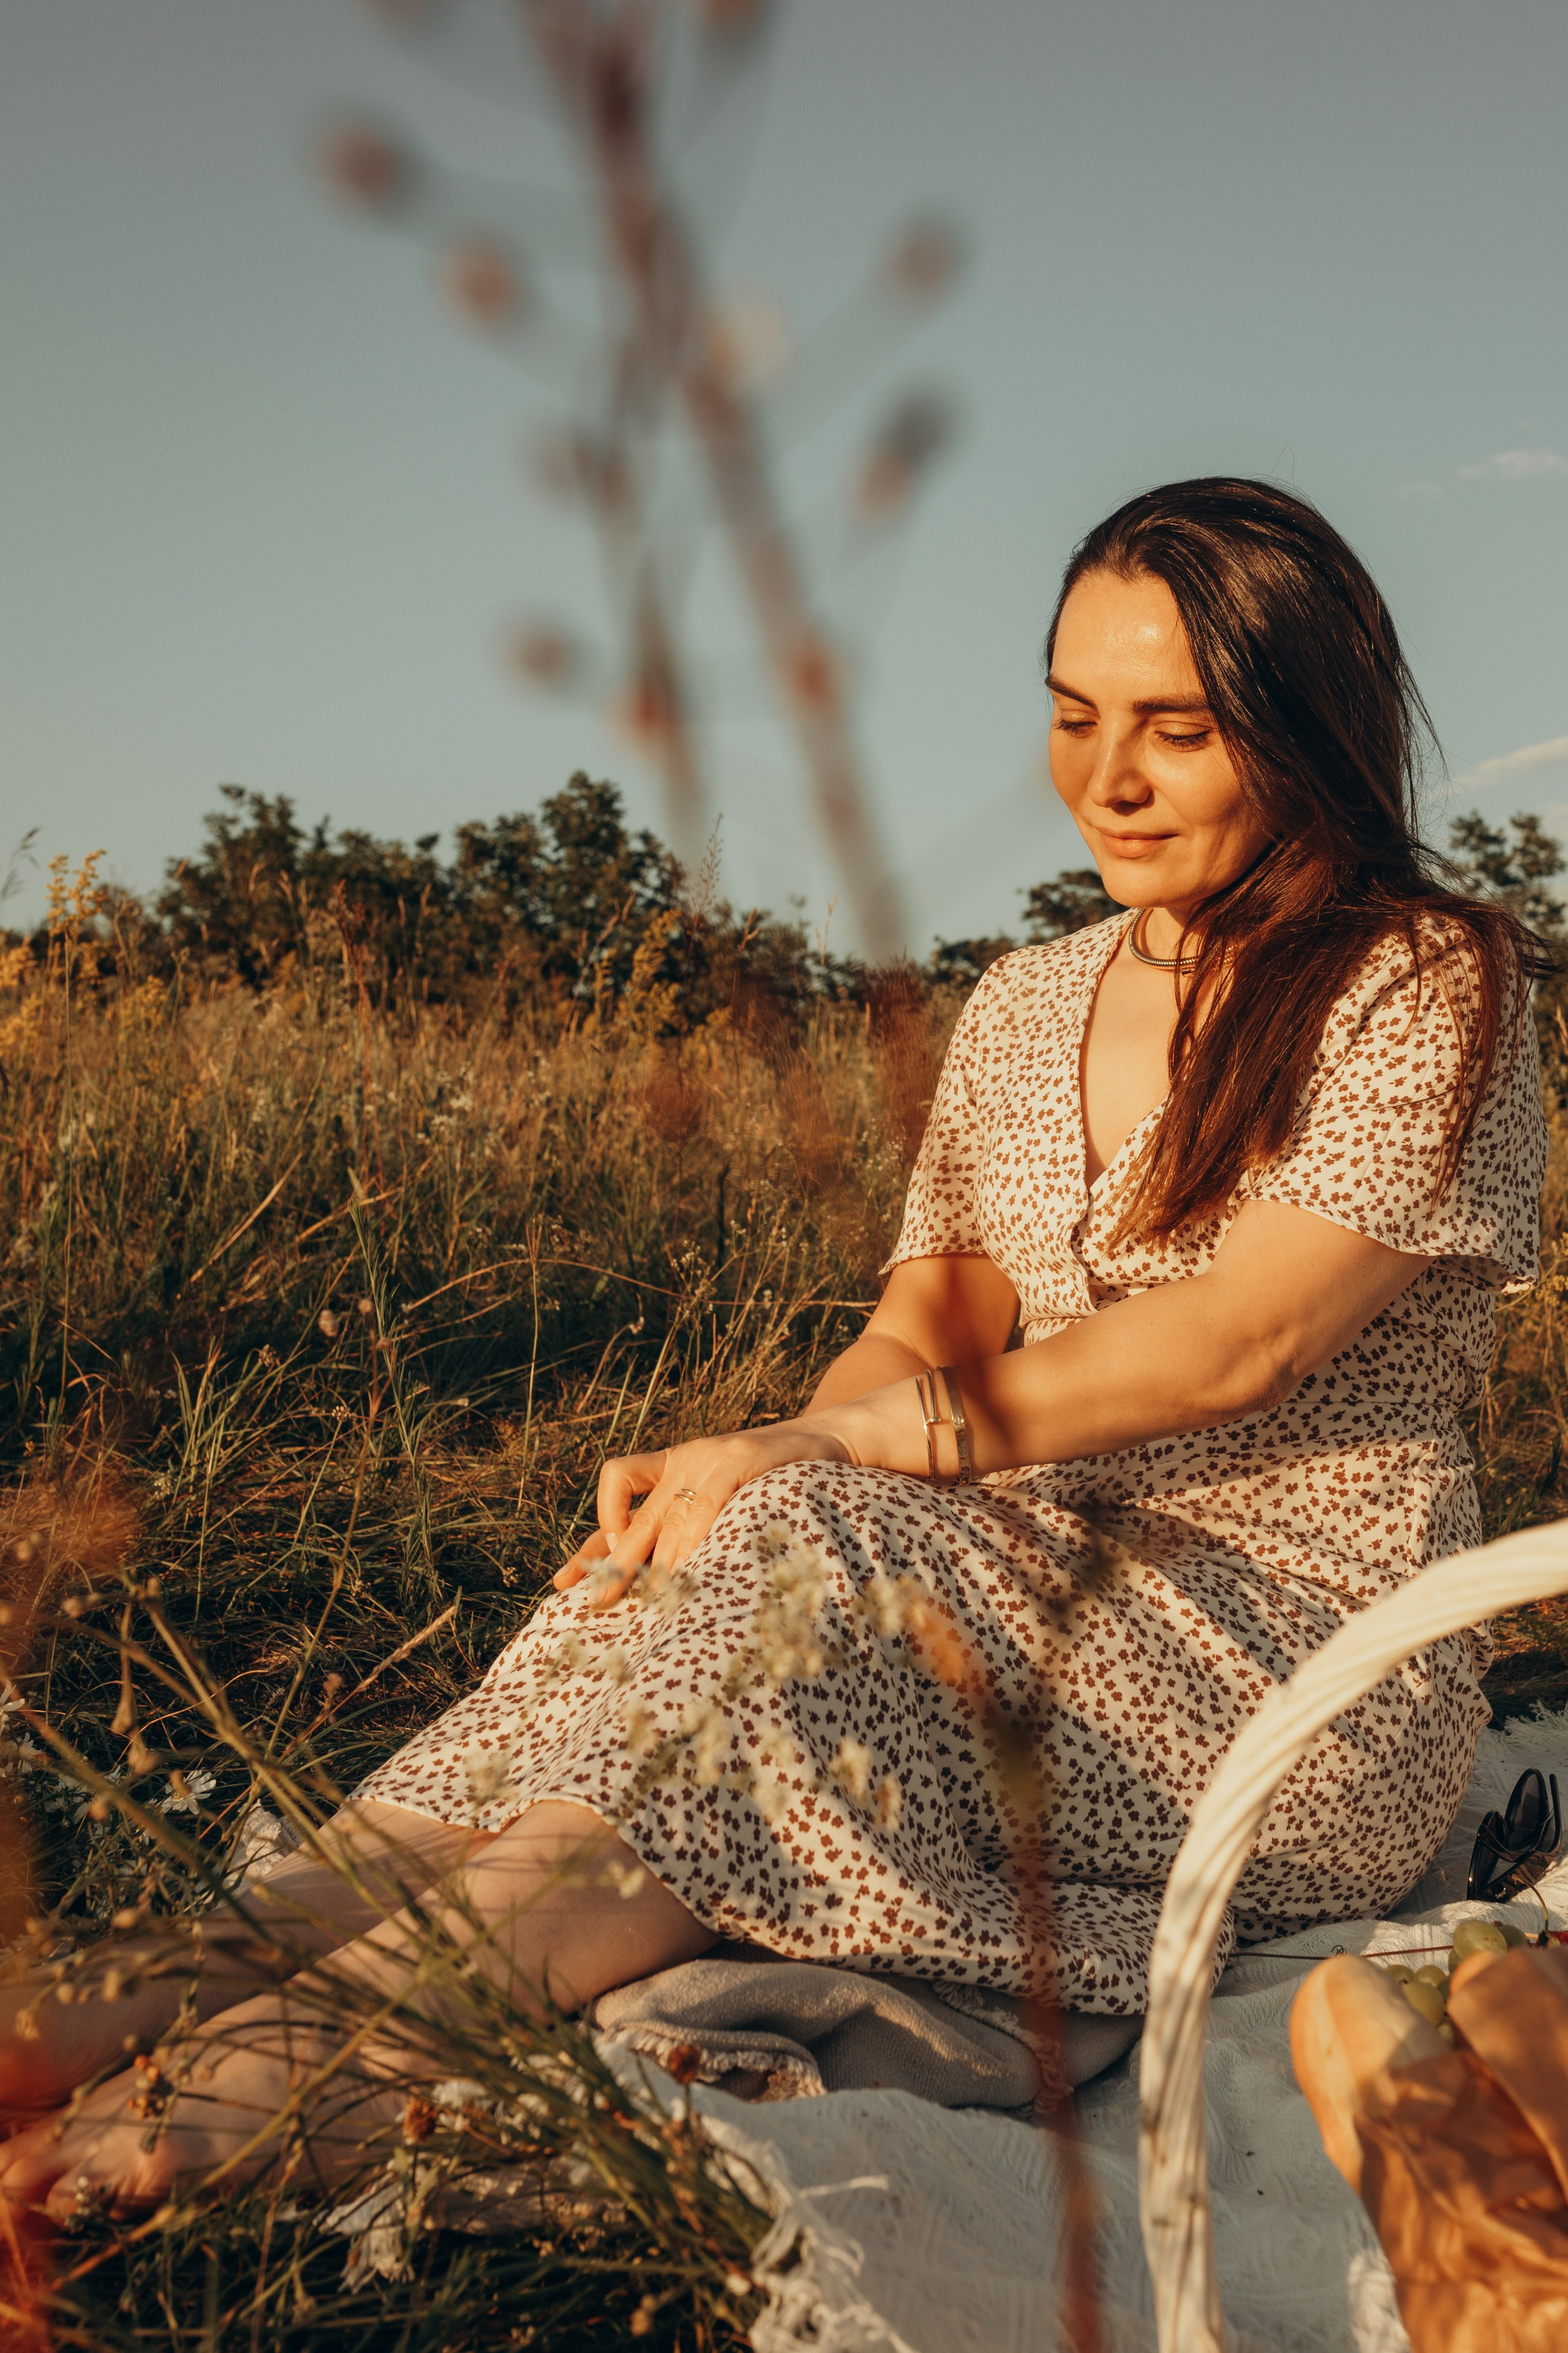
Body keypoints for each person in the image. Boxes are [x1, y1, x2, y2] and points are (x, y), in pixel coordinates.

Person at [1, 476, 1548, 2219]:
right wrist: (740, 1501)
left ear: (1303, 728)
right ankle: (115, 2005)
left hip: (1293, 1659)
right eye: (1071, 714)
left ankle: (289, 2083)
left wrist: (821, 1477)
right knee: (643, 1624)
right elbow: (928, 1322)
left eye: (1175, 730)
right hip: (1007, 1565)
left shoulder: (1434, 986)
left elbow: (1239, 1340)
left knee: (792, 1580)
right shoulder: (1029, 1000)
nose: (1104, 775)